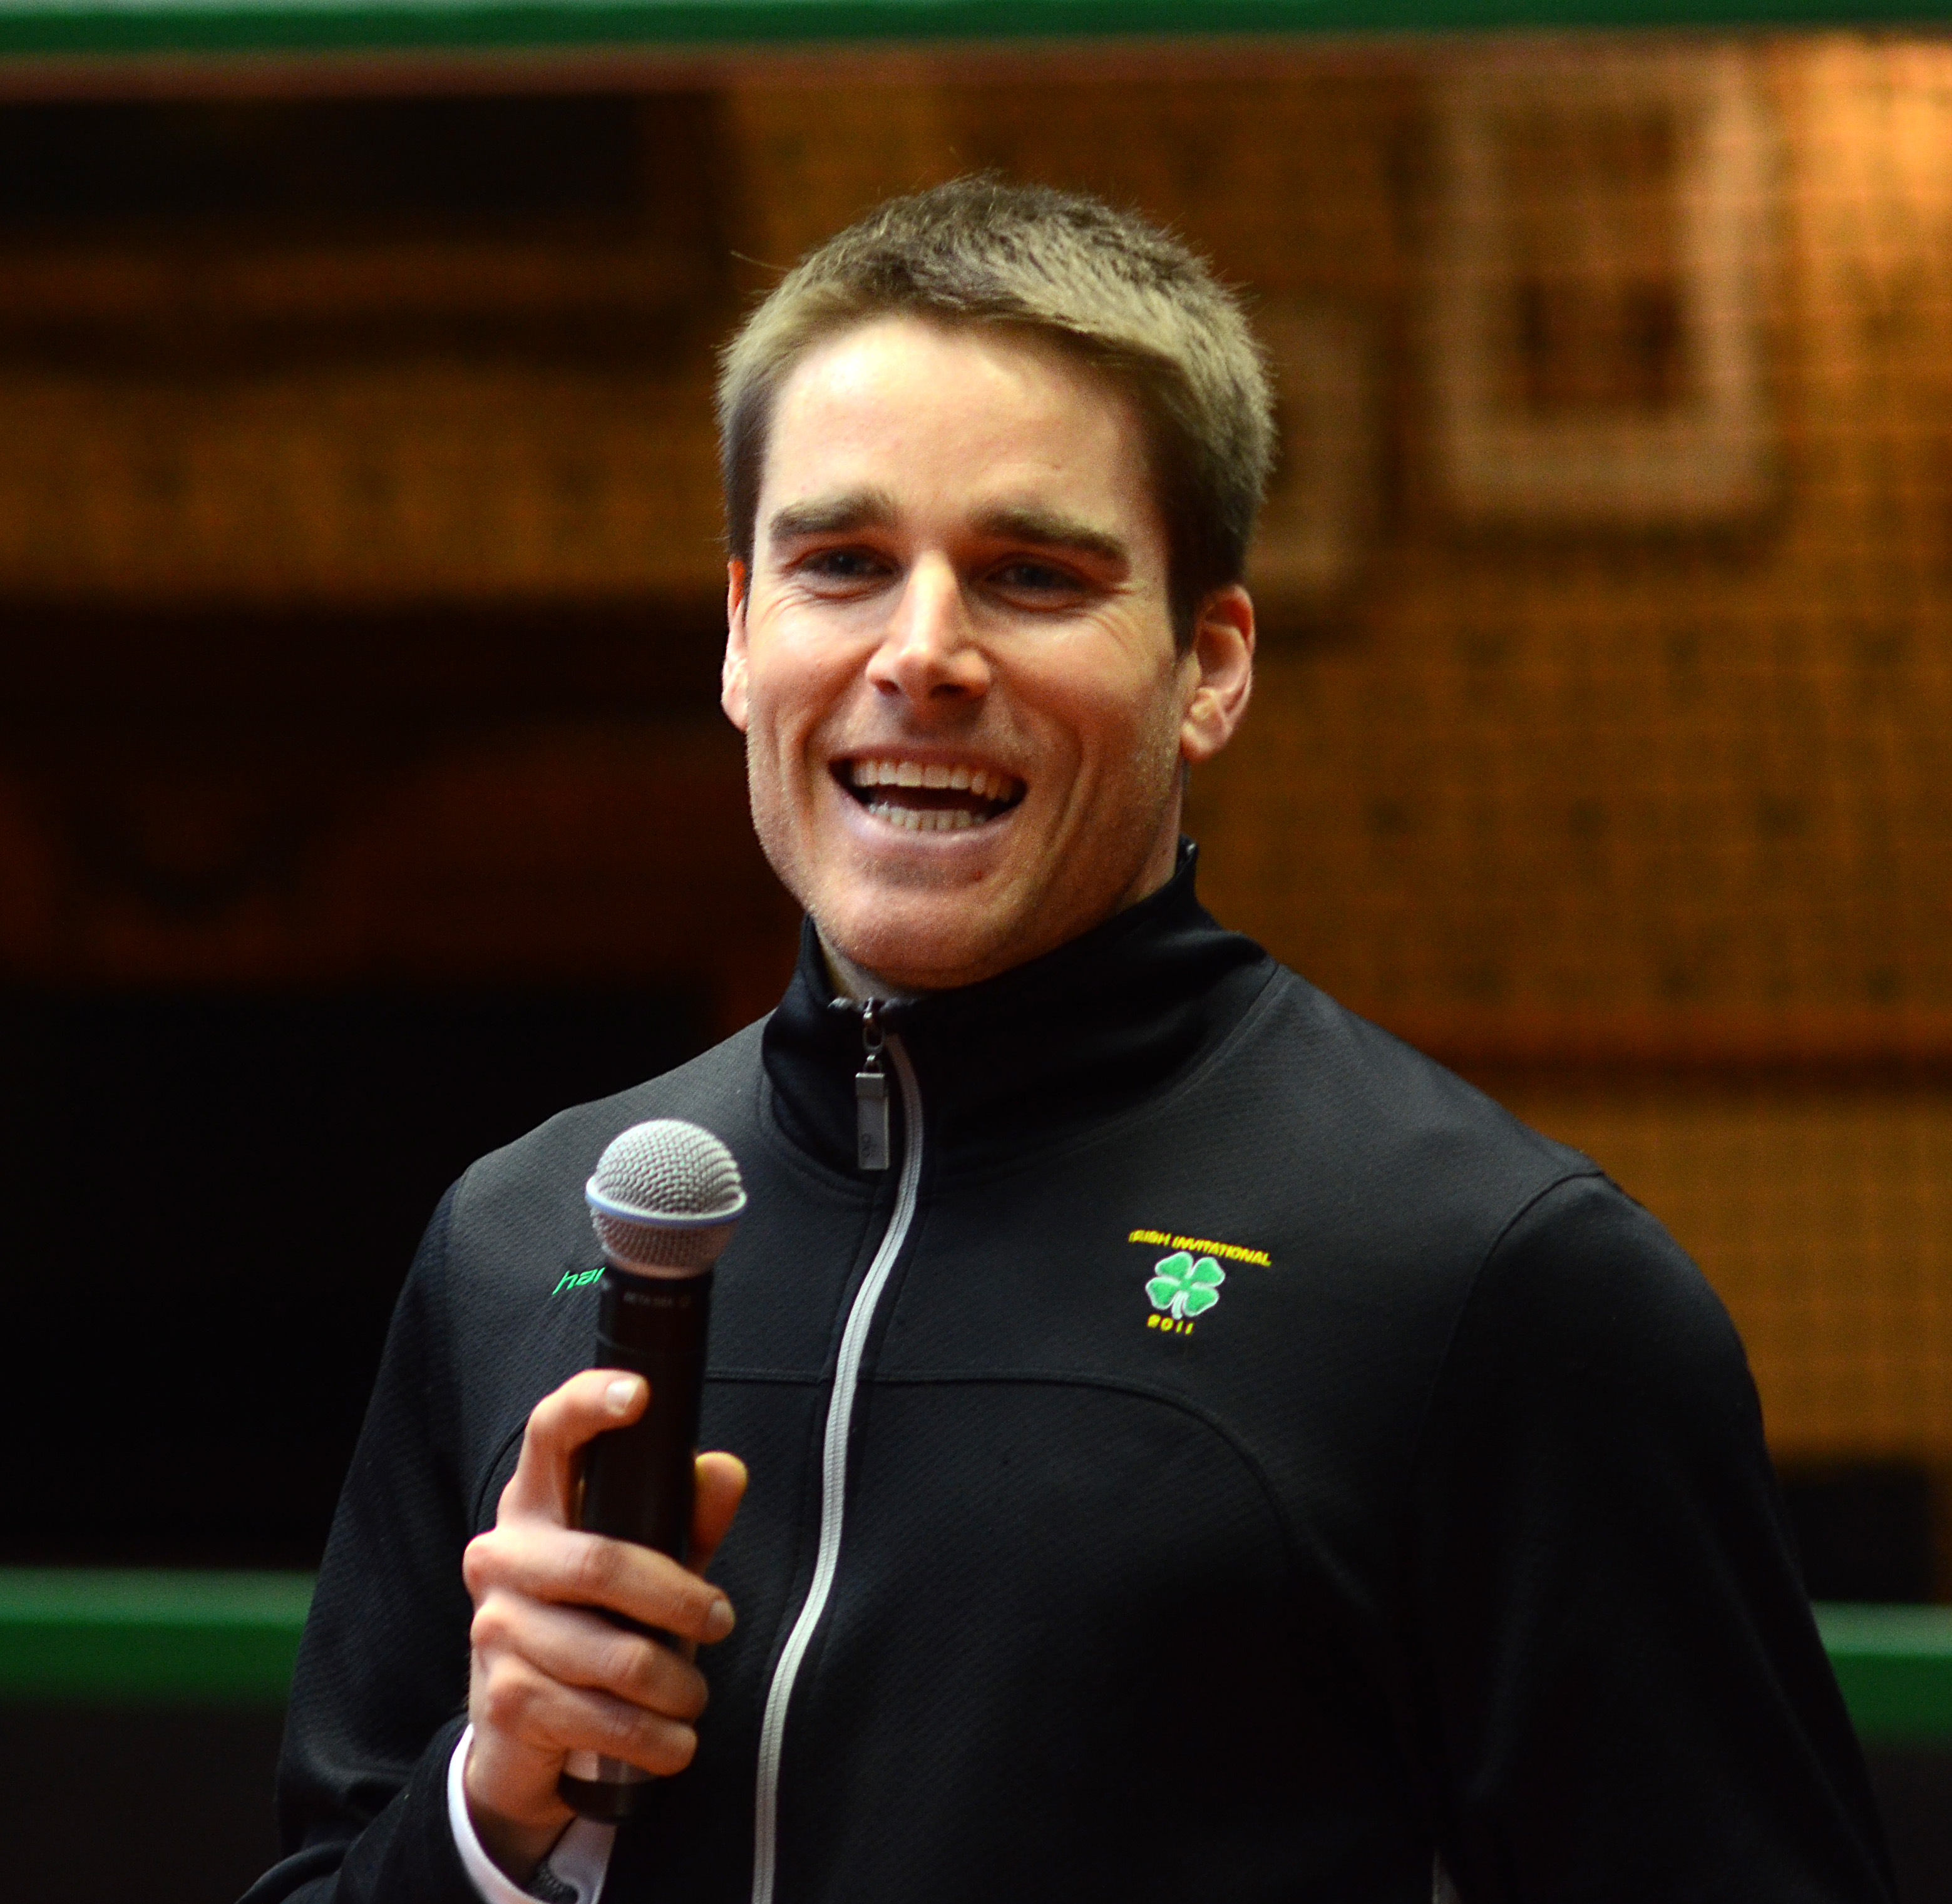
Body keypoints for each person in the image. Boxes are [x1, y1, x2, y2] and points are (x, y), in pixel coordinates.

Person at [244, 179, 1894, 1904]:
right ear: (739, 634)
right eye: (841, 565)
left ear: (1210, 666)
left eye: (1031, 574)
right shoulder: (517, 1233)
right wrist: (487, 1819)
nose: (922, 653)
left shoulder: (1499, 1284)